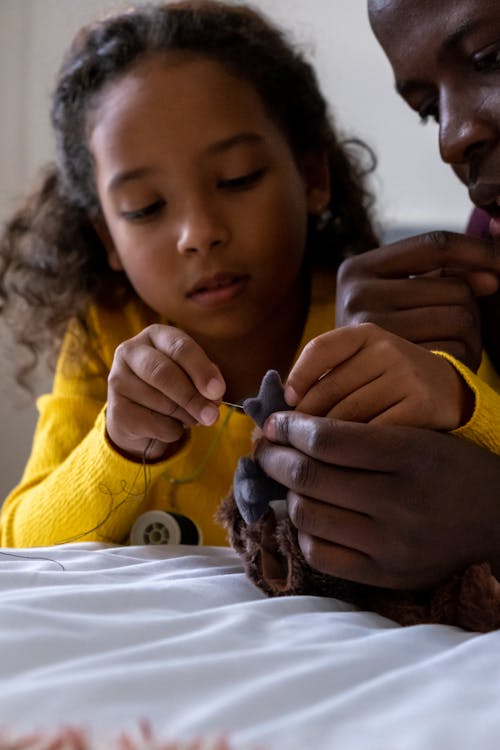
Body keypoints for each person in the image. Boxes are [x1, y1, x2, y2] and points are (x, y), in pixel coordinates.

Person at [0, 0, 497, 554]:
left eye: (237, 179)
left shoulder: (389, 318)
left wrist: (462, 401)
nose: (199, 233)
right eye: (144, 207)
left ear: (312, 176)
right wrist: (115, 446)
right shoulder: (104, 333)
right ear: (107, 239)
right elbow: (20, 543)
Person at [251, 0, 500, 593]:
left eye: (492, 59)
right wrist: (424, 404)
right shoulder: (482, 254)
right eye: (425, 110)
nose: (452, 137)